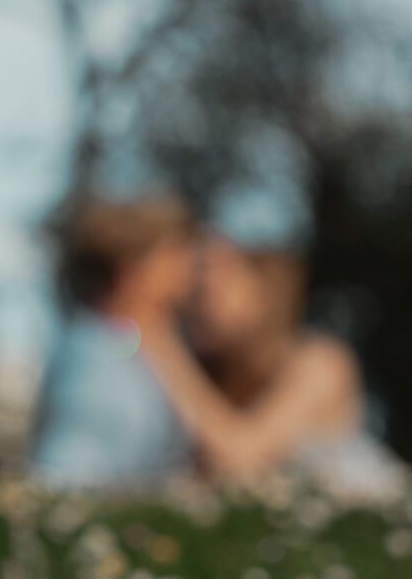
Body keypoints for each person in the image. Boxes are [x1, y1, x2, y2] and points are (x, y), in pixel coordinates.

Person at [138, 137, 365, 481]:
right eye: (193, 288)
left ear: (264, 288)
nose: (193, 301)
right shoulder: (210, 374)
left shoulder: (320, 365)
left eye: (211, 287)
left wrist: (160, 346)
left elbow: (241, 457)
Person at [30, 194, 195, 487]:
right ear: (130, 270)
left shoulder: (133, 343)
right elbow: (67, 469)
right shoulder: (95, 353)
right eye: (172, 254)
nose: (186, 269)